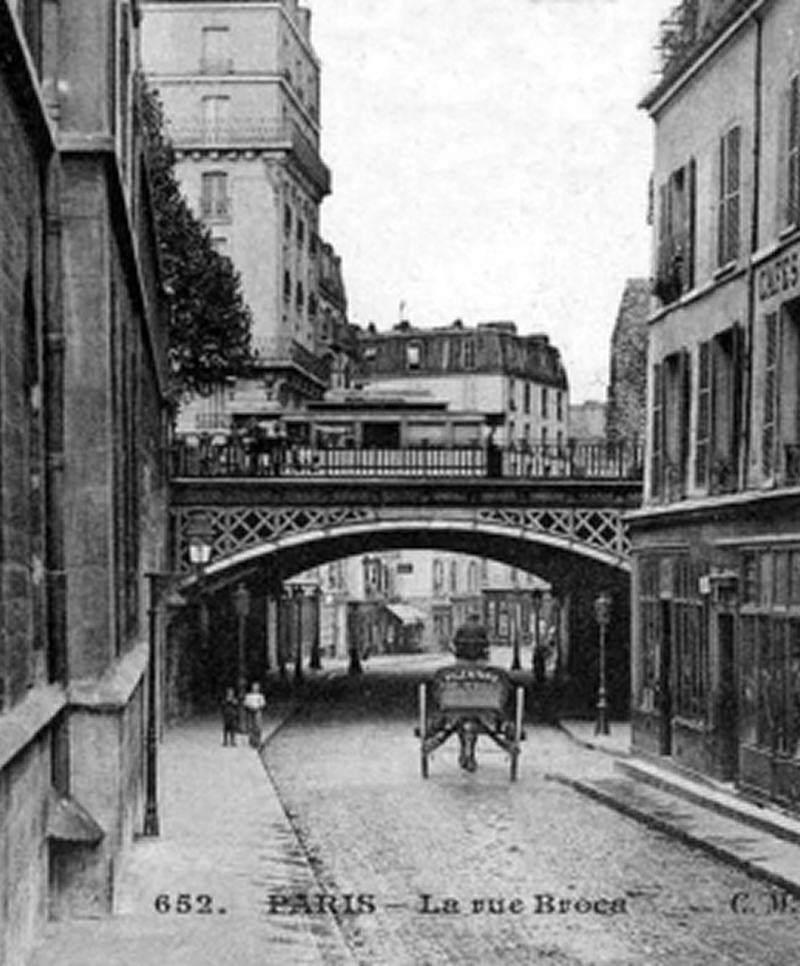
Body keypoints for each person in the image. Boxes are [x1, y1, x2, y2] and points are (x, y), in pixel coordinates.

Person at [243, 681, 266, 748]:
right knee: (251, 726)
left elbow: (263, 703)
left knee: (258, 726)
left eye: (256, 687)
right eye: (254, 687)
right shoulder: (248, 695)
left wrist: (258, 706)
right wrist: (250, 706)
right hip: (250, 711)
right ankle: (252, 740)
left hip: (258, 711)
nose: (255, 688)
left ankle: (258, 740)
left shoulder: (260, 696)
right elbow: (246, 703)